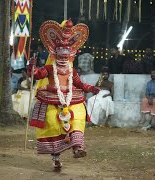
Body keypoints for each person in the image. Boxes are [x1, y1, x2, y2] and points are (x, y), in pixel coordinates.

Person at [27, 20, 100, 170]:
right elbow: (36, 74)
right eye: (61, 55)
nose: (64, 58)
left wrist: (91, 88)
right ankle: (56, 159)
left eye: (66, 55)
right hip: (52, 98)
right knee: (52, 123)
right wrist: (31, 66)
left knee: (78, 115)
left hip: (70, 98)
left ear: (70, 56)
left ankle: (78, 147)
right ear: (55, 54)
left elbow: (79, 84)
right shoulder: (49, 68)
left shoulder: (71, 70)